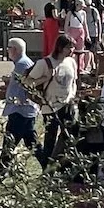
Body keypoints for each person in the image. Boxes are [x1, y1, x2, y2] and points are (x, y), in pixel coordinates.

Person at [27, 35, 78, 170]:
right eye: (69, 47)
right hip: (50, 107)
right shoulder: (45, 63)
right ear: (60, 47)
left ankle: (64, 166)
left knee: (69, 136)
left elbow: (73, 82)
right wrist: (45, 77)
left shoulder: (71, 62)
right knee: (50, 139)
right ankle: (48, 168)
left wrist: (72, 96)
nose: (72, 50)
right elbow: (27, 82)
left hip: (67, 105)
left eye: (73, 47)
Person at [0, 39, 37, 175]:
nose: (7, 50)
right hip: (23, 110)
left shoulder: (22, 64)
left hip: (20, 110)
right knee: (31, 143)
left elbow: (26, 86)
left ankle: (1, 170)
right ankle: (47, 163)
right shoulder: (21, 64)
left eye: (9, 48)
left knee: (9, 141)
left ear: (15, 50)